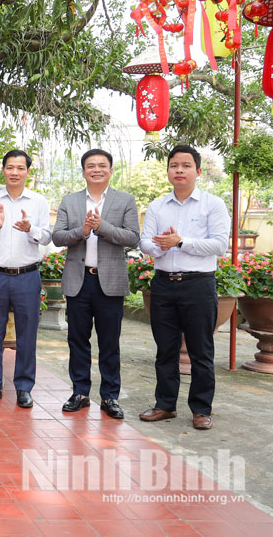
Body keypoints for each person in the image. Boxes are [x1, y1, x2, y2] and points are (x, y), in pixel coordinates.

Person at [139, 145, 229, 430]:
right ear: (168, 171)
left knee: (201, 350)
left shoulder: (212, 204)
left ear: (198, 171)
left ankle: (201, 410)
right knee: (165, 349)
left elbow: (219, 245)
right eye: (174, 165)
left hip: (198, 285)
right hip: (163, 285)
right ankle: (165, 405)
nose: (179, 170)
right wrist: (161, 247)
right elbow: (144, 243)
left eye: (186, 165)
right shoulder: (157, 206)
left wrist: (180, 242)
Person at [51, 149, 139, 419]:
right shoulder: (71, 200)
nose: (97, 169)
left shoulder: (125, 200)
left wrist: (101, 227)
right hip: (79, 281)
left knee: (109, 342)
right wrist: (83, 231)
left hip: (110, 282)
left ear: (111, 171)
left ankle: (110, 397)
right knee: (77, 340)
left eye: (102, 165)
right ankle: (80, 392)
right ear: (84, 171)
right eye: (91, 165)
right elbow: (57, 237)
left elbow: (133, 238)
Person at [0, 149, 51, 408]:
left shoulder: (38, 202)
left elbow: (47, 238)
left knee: (26, 335)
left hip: (27, 276)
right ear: (3, 170)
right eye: (10, 167)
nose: (15, 172)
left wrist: (31, 230)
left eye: (20, 168)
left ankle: (24, 387)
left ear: (28, 171)